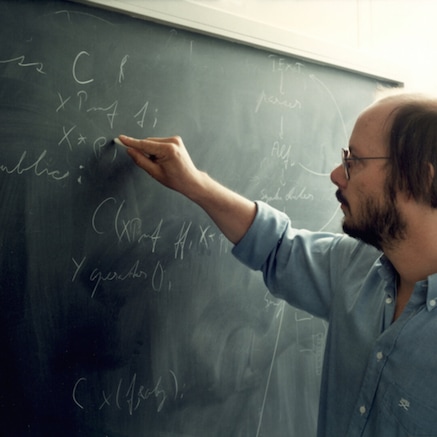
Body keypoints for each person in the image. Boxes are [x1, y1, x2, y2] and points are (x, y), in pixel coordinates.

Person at [117, 92, 437, 437]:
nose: (336, 174)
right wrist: (195, 183)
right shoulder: (357, 268)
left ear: (416, 179)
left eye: (354, 162)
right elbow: (277, 247)